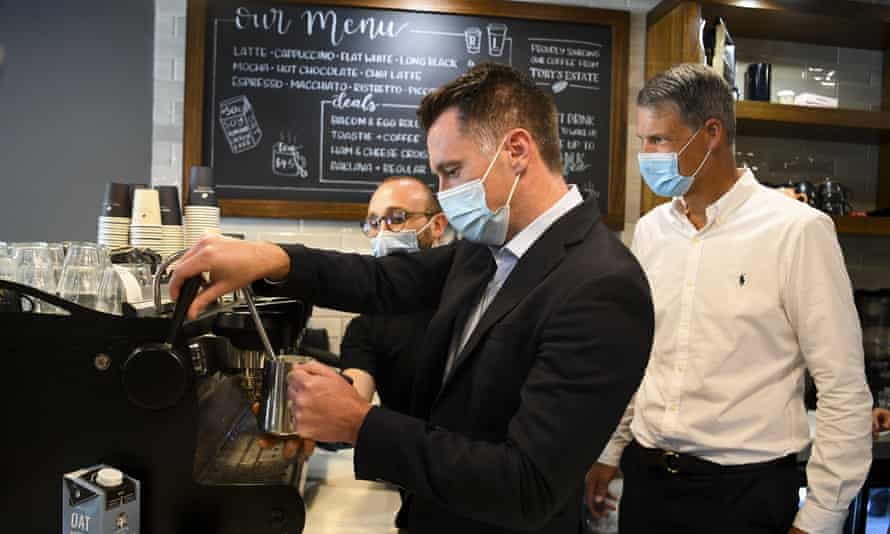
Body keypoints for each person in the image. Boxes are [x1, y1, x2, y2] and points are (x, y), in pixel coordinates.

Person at [170, 62, 654, 534]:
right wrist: (272, 258)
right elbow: (381, 281)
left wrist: (361, 424)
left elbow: (525, 485)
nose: (443, 194)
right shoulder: (488, 248)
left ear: (518, 150)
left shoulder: (601, 287)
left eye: (452, 171)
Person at [585, 63, 872, 534]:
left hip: (745, 495)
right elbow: (640, 357)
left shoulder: (797, 231)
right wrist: (610, 450)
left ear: (711, 133)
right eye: (643, 141)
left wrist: (821, 517)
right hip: (647, 482)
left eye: (658, 140)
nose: (646, 155)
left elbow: (842, 385)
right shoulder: (653, 230)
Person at [342, 175, 447, 413]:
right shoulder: (367, 325)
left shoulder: (468, 299)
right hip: (399, 445)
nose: (383, 232)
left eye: (397, 218)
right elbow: (352, 403)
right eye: (374, 222)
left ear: (438, 225)